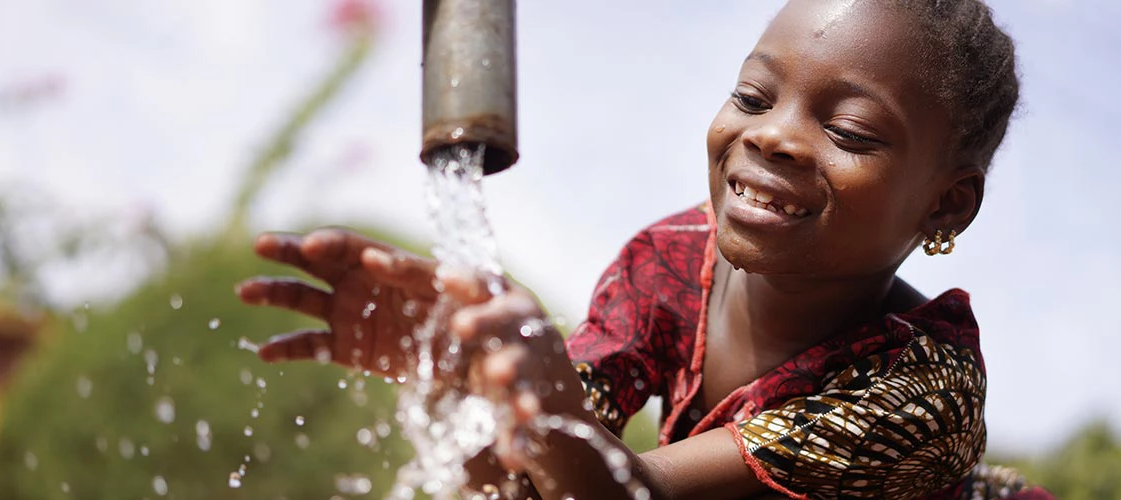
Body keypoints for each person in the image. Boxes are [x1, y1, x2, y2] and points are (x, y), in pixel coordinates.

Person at [235, 0, 1056, 498]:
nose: (773, 135)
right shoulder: (666, 263)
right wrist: (463, 382)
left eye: (847, 131)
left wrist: (552, 421)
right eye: (752, 95)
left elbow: (625, 496)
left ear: (947, 204)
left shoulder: (920, 390)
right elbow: (534, 485)